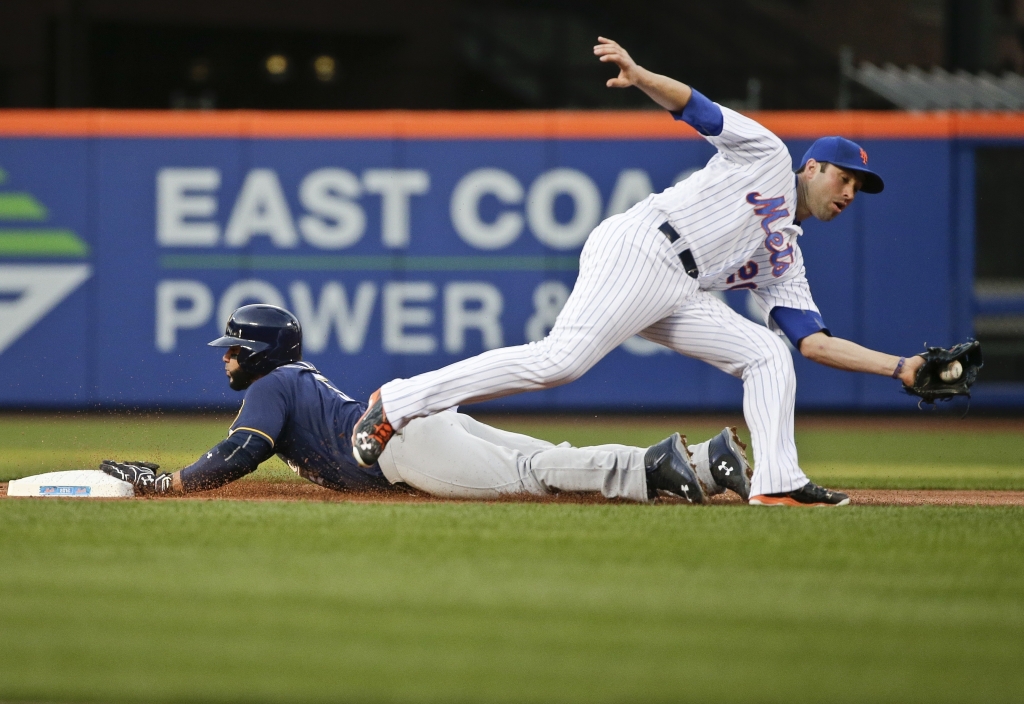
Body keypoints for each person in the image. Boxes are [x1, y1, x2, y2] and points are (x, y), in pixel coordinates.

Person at [351, 36, 929, 508]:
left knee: (768, 353)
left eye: (858, 188)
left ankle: (777, 482)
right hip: (644, 247)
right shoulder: (770, 155)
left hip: (677, 287)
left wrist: (902, 368)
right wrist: (641, 74)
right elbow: (697, 109)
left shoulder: (785, 259)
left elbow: (814, 342)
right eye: (843, 178)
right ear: (814, 167)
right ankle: (400, 400)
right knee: (559, 362)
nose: (849, 192)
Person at [100, 304, 750, 505]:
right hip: (412, 424)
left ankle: (676, 469)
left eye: (234, 348)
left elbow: (244, 451)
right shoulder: (296, 379)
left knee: (534, 476)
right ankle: (695, 463)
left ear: (264, 352)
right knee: (549, 459)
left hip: (399, 445)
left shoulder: (273, 386)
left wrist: (171, 482)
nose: (225, 357)